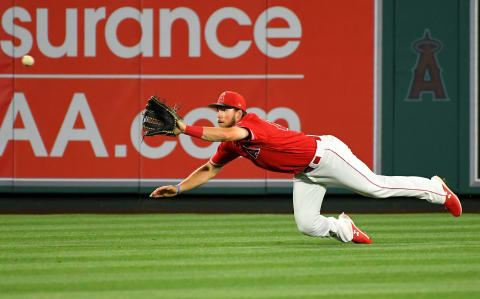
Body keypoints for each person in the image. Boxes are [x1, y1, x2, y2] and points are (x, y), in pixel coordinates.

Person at [149, 91, 462, 244]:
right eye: (217, 109)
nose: (219, 113)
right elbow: (209, 169)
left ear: (239, 111)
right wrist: (178, 187)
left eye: (224, 109)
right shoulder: (231, 143)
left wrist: (186, 128)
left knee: (375, 188)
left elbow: (230, 134)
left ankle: (436, 189)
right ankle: (343, 228)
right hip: (305, 172)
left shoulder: (249, 124)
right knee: (307, 225)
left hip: (325, 155)